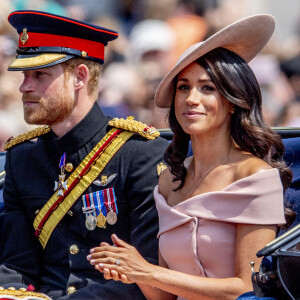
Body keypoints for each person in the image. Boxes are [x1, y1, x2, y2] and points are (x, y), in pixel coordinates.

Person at [87, 14, 293, 300]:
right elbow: (164, 296)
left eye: (207, 88)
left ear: (233, 102)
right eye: (183, 87)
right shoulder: (169, 180)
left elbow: (247, 288)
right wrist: (131, 268)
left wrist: (147, 272)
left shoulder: (254, 176)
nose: (191, 99)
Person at [0, 10, 169, 300]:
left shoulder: (140, 153)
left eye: (39, 74)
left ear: (80, 77)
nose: (24, 86)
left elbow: (151, 276)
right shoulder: (22, 157)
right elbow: (16, 265)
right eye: (25, 75)